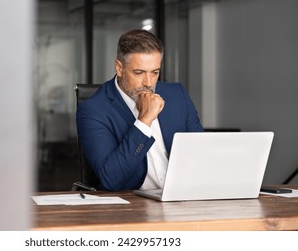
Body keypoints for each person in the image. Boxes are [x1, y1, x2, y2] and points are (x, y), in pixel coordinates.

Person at [76, 29, 203, 191]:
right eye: (139, 72)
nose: (149, 83)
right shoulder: (93, 110)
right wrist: (144, 120)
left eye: (155, 72)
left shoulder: (177, 94)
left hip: (182, 196)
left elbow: (201, 154)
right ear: (119, 68)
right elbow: (111, 179)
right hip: (132, 204)